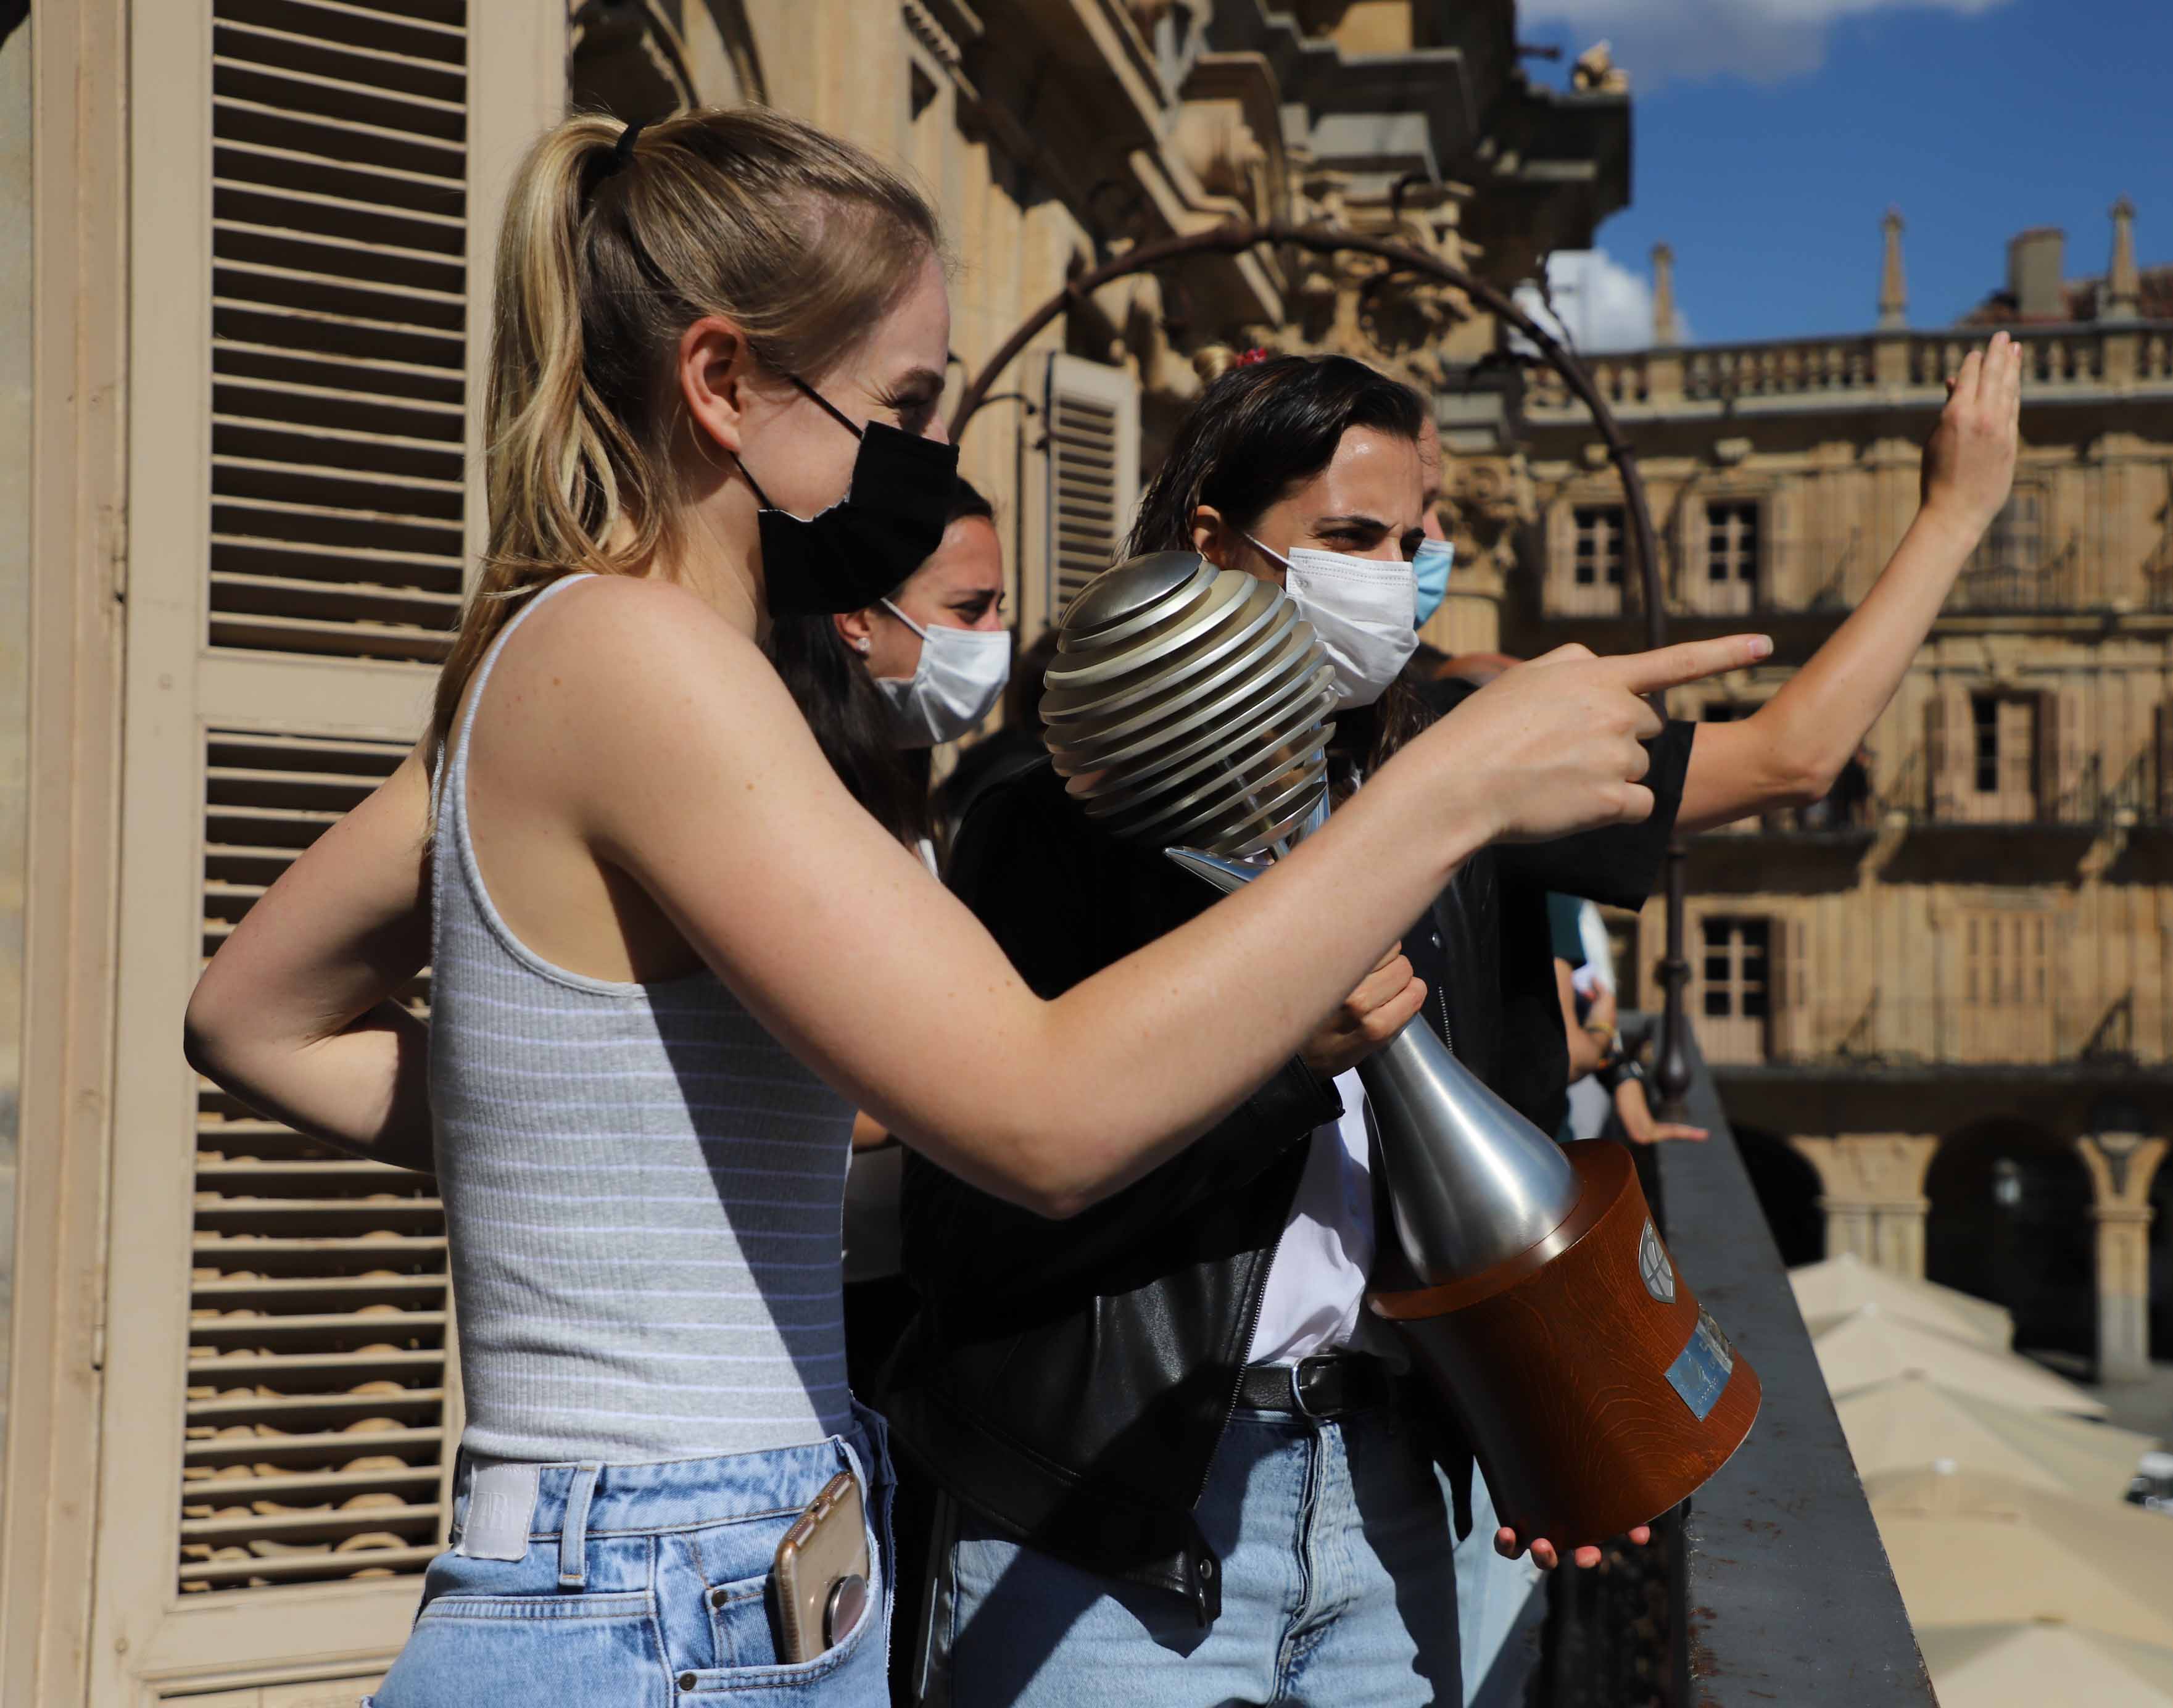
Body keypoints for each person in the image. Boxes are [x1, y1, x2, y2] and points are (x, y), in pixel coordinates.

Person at [178, 107, 1757, 1708]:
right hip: (665, 1598)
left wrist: (603, 1152)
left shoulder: (568, 663)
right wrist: (1449, 791)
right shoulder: (637, 660)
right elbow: (1043, 1115)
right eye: (903, 407)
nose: (924, 465)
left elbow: (251, 1013)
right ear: (722, 383)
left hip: (702, 1581)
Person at [895, 340, 2021, 1706]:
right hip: (1107, 1510)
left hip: (1378, 1497)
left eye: (1412, 534)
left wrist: (1956, 510)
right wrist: (1273, 1065)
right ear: (1214, 538)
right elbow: (987, 1213)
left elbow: (1788, 753)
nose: (1394, 569)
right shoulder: (1048, 811)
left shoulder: (1470, 755)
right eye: (1350, 535)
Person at [764, 471, 1012, 1406]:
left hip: (889, 1282)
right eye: (968, 608)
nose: (993, 638)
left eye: (1000, 610)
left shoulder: (904, 792)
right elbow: (803, 1072)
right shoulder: (792, 795)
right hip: (809, 1300)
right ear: (856, 621)